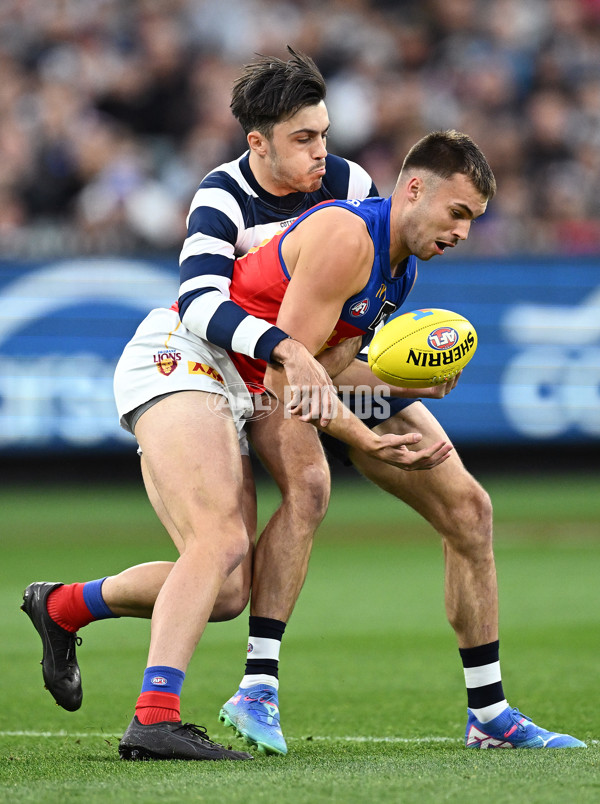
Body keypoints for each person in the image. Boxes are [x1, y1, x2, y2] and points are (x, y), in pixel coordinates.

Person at [22, 53, 585, 757]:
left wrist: (398, 389)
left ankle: (490, 713)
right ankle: (191, 705)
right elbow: (201, 304)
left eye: (323, 133)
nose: (324, 152)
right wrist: (295, 360)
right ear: (258, 142)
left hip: (284, 371)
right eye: (304, 138)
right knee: (249, 524)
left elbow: (340, 352)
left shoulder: (358, 193)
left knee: (461, 510)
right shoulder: (223, 196)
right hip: (197, 357)